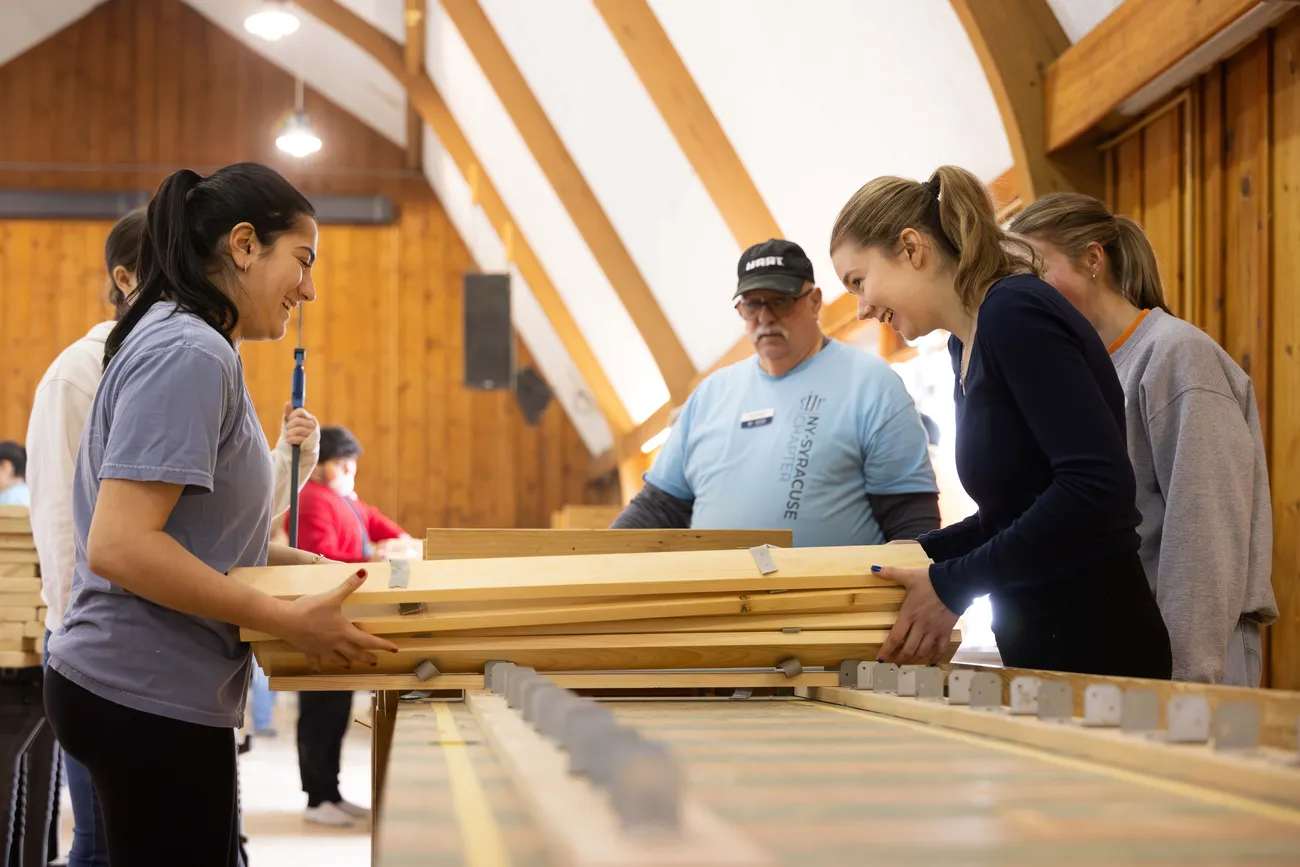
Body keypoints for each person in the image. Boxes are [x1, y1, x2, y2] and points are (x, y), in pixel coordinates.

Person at [42, 162, 397, 866]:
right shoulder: (189, 351)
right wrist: (287, 618)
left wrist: (321, 571)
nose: (309, 288)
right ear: (242, 245)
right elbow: (121, 544)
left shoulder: (195, 342)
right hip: (142, 689)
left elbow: (205, 540)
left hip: (149, 686)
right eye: (302, 260)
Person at [829, 165, 1172, 678]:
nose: (860, 309)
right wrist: (920, 555)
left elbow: (1096, 486)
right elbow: (1011, 512)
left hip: (1097, 640)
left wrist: (952, 584)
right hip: (1041, 641)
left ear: (910, 247)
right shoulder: (963, 344)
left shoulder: (1014, 311)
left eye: (860, 281)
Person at [1010, 194, 1277, 686]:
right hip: (1117, 650)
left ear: (1093, 259)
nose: (1028, 295)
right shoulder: (1079, 372)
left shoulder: (1176, 354)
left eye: (1037, 272)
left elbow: (1205, 531)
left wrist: (1185, 678)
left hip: (1187, 655)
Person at [611, 238, 940, 545]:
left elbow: (911, 520)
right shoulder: (709, 396)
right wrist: (597, 557)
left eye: (780, 302)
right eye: (752, 305)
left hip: (832, 603)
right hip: (715, 601)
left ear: (814, 302)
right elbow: (658, 508)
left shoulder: (872, 384)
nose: (765, 317)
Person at [292, 426, 411, 826]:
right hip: (320, 612)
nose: (348, 471)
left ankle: (332, 791)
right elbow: (318, 556)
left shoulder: (347, 502)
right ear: (324, 466)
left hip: (345, 615)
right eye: (341, 464)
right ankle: (316, 797)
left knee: (336, 709)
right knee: (320, 709)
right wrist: (373, 555)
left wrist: (397, 544)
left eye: (350, 465)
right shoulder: (312, 499)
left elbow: (386, 529)